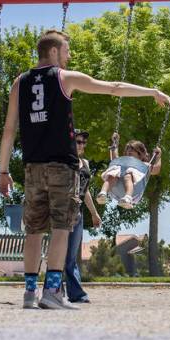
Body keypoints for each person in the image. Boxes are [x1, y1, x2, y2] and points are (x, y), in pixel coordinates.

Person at [0, 29, 170, 310]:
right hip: (61, 166)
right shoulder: (64, 77)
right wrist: (151, 92)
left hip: (32, 168)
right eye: (67, 51)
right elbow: (114, 87)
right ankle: (54, 292)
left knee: (33, 231)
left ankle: (30, 294)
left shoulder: (19, 82)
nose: (70, 57)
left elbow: (9, 130)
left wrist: (3, 170)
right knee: (60, 228)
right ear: (55, 52)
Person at [63, 129, 102, 304]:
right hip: (62, 210)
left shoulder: (85, 163)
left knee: (71, 256)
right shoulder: (63, 161)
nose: (82, 145)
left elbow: (85, 192)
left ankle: (75, 294)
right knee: (59, 253)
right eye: (78, 142)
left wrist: (94, 213)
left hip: (78, 211)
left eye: (84, 142)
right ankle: (54, 290)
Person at [96, 132, 162, 209]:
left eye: (133, 149)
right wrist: (115, 142)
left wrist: (158, 157)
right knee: (112, 175)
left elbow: (156, 170)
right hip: (116, 186)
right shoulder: (122, 162)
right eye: (128, 149)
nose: (129, 151)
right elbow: (115, 158)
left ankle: (127, 198)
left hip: (135, 191)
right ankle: (102, 194)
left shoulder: (144, 165)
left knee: (128, 175)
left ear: (140, 153)